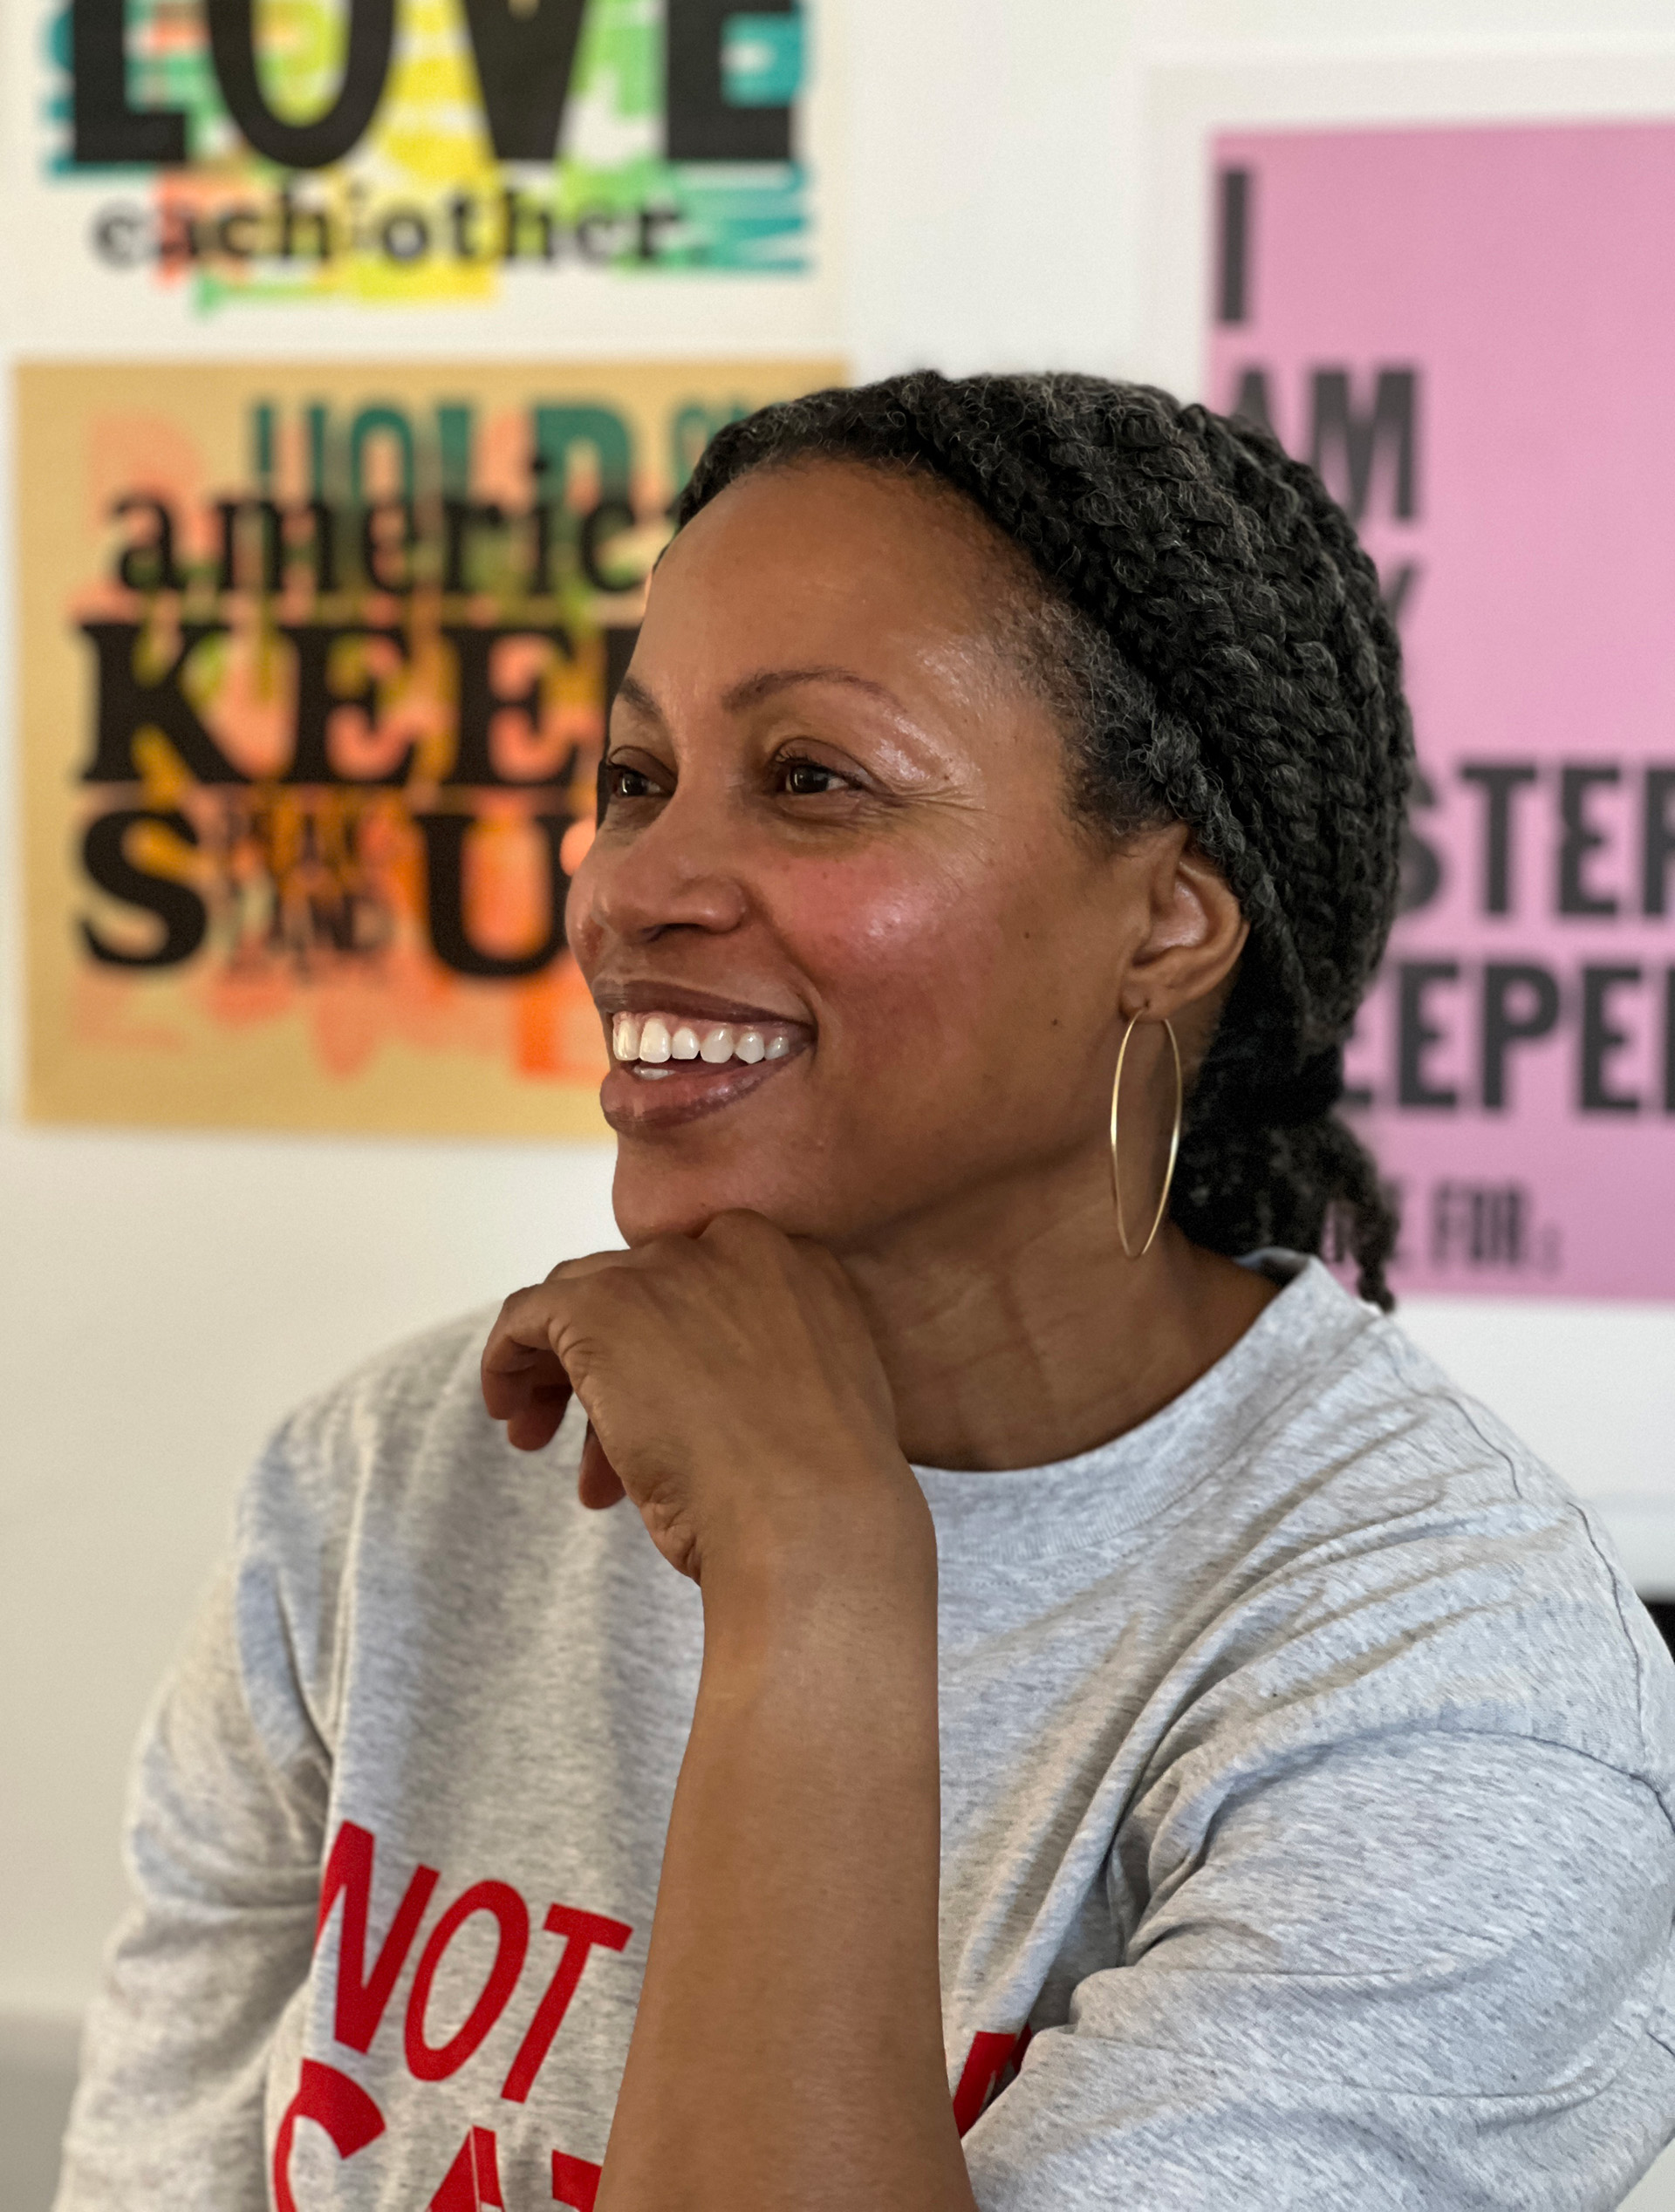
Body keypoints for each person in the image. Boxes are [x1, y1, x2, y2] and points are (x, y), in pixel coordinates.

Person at [55, 373, 1675, 2212]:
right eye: (634, 778)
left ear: (1166, 917)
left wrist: (818, 1580)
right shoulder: (392, 1486)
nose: (627, 889)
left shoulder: (1447, 1686)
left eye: (814, 780)